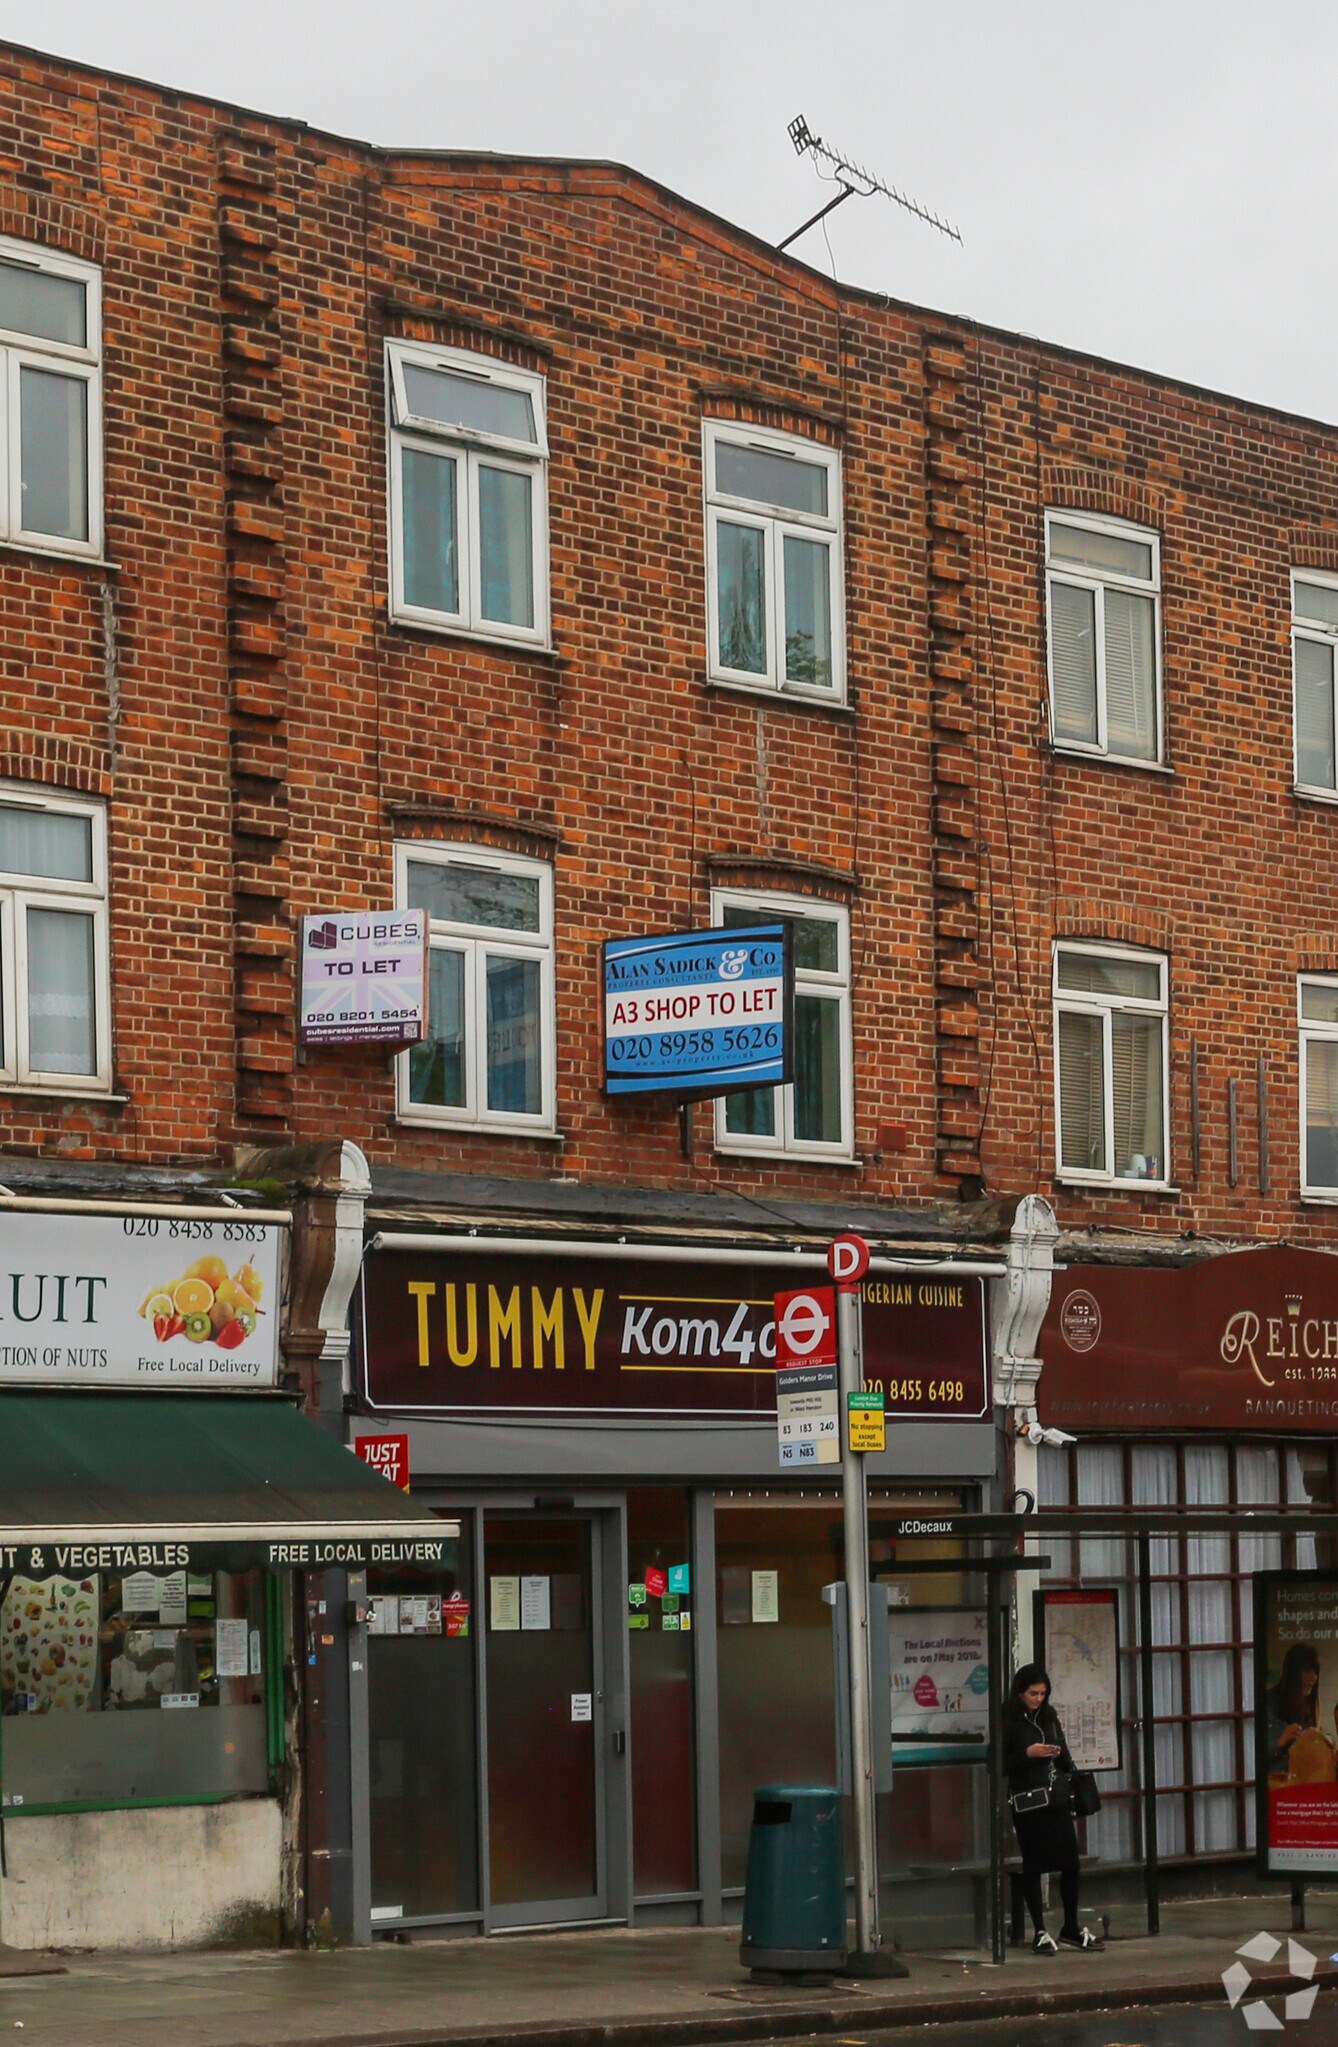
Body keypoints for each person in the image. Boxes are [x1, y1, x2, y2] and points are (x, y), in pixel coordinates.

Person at [1002, 1663, 1100, 1953]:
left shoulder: (1049, 1715)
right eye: (1033, 1693)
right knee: (1034, 1864)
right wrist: (1027, 1754)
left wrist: (1067, 1765)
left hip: (1054, 1795)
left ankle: (1071, 1924)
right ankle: (1040, 1931)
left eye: (1043, 1693)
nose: (1038, 1699)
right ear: (1020, 1692)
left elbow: (1062, 1747)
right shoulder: (1008, 1718)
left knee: (1071, 1861)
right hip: (1027, 1799)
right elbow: (998, 1763)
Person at [1266, 1642, 1338, 1780]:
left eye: (1315, 1671)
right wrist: (1280, 1741)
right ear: (1293, 1671)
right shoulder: (1269, 1703)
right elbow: (1254, 1755)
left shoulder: (1309, 1707)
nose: (1312, 1677)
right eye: (1307, 1670)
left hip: (1305, 1782)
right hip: (1278, 1787)